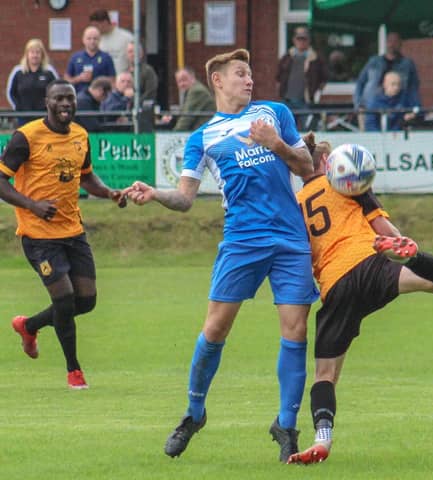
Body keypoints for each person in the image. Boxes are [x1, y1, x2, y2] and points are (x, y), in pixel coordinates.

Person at [122, 48, 318, 462]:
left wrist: (277, 143)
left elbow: (308, 168)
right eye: (241, 74)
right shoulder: (203, 137)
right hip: (242, 240)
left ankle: (286, 425)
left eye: (250, 74)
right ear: (218, 81)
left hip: (289, 238)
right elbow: (185, 199)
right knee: (214, 330)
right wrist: (155, 193)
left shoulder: (275, 113)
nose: (249, 81)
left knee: (296, 331)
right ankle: (194, 413)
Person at [287, 133, 433, 464]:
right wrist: (400, 245)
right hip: (371, 264)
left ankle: (322, 439)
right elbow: (387, 233)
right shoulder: (347, 185)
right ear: (327, 163)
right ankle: (413, 260)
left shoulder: (294, 205)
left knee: (325, 376)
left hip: (335, 285)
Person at [0, 79, 127, 389]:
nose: (66, 104)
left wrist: (109, 193)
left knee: (87, 301)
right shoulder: (26, 137)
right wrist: (31, 204)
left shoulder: (81, 136)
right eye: (59, 99)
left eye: (70, 99)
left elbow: (86, 177)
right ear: (47, 102)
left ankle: (28, 326)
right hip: (38, 235)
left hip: (73, 231)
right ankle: (74, 371)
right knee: (65, 298)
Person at [353, 31, 420, 114]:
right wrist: (358, 104)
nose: (392, 44)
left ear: (400, 44)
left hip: (396, 110)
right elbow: (360, 82)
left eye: (395, 41)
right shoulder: (374, 61)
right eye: (389, 41)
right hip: (369, 108)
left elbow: (413, 88)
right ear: (386, 43)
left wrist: (415, 109)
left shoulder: (408, 64)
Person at [276, 26, 328, 130]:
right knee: (286, 130)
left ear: (309, 40)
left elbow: (324, 78)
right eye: (299, 39)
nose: (301, 42)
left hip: (306, 101)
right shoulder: (287, 57)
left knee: (308, 129)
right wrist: (280, 92)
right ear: (294, 40)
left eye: (304, 39)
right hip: (287, 100)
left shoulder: (316, 58)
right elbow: (278, 76)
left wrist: (316, 93)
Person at [6, 38, 58, 126]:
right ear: (27, 54)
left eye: (38, 52)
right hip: (23, 117)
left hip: (44, 117)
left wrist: (51, 109)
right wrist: (17, 108)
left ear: (42, 55)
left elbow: (57, 91)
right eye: (32, 52)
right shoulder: (18, 71)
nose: (35, 55)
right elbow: (10, 93)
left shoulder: (49, 71)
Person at [160, 67, 215, 131]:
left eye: (184, 79)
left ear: (193, 78)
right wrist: (172, 118)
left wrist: (174, 134)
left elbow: (186, 118)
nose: (182, 84)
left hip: (203, 132)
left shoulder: (196, 91)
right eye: (179, 81)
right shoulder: (192, 90)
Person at [64, 26, 116, 94]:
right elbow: (66, 80)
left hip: (100, 98)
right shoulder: (75, 57)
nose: (92, 41)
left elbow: (112, 81)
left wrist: (98, 80)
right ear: (83, 40)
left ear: (100, 40)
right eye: (89, 38)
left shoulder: (106, 57)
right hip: (79, 96)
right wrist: (79, 78)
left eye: (95, 39)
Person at [89, 9, 134, 75]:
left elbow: (135, 58)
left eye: (96, 25)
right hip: (102, 81)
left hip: (121, 80)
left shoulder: (126, 37)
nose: (95, 29)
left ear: (105, 22)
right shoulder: (95, 39)